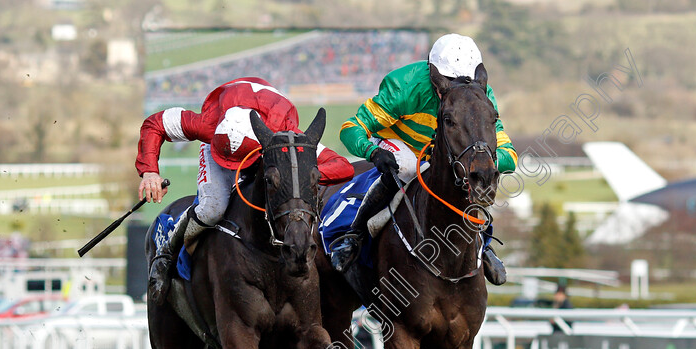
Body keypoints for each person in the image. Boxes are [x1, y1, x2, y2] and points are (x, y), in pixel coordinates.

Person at [137, 77, 354, 300]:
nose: (235, 171)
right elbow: (155, 123)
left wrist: (296, 177)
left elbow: (343, 167)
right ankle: (166, 253)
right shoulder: (209, 125)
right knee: (213, 207)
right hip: (226, 132)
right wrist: (150, 171)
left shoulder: (283, 133)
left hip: (264, 137)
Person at [331, 33, 518, 284]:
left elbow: (509, 154)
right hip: (400, 144)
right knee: (407, 167)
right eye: (449, 81)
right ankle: (354, 236)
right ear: (433, 75)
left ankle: (483, 245)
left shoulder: (480, 98)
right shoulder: (405, 85)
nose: (457, 90)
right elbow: (351, 127)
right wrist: (372, 152)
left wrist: (485, 163)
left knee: (470, 175)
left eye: (465, 82)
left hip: (445, 154)